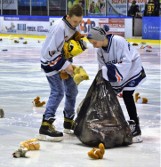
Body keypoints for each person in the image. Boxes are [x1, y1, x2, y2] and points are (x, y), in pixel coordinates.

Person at [87, 25, 146, 143]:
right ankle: (111, 123)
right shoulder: (100, 51)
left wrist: (111, 72)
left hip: (132, 69)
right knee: (108, 97)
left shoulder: (118, 41)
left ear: (100, 38)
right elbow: (102, 69)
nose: (93, 46)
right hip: (119, 73)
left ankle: (135, 126)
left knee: (128, 95)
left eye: (94, 42)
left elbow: (127, 61)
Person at [39, 4, 84, 141]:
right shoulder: (59, 27)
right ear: (68, 16)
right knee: (58, 92)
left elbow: (68, 43)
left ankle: (68, 122)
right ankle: (45, 126)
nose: (77, 24)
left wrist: (78, 39)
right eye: (75, 21)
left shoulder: (71, 24)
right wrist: (67, 67)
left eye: (79, 22)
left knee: (72, 90)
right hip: (50, 62)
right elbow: (50, 53)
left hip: (63, 60)